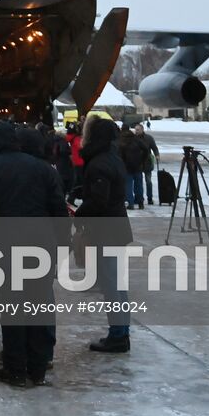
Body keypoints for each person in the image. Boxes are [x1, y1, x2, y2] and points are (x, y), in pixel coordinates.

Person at [0, 120, 68, 388]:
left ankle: (16, 369)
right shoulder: (44, 169)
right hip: (42, 248)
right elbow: (59, 212)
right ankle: (38, 369)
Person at [75, 117, 134, 353]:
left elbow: (99, 200)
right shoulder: (113, 158)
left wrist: (80, 214)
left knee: (110, 284)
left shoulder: (99, 163)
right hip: (117, 228)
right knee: (117, 284)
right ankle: (122, 331)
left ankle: (118, 335)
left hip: (106, 231)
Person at [118, 125, 149, 209]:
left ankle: (130, 203)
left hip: (127, 166)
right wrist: (142, 159)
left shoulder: (121, 140)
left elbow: (119, 154)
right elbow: (146, 149)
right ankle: (140, 203)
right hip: (138, 165)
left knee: (128, 185)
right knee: (139, 185)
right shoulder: (135, 139)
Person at [135, 124, 159, 205]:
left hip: (147, 162)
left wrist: (157, 155)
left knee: (148, 181)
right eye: (135, 130)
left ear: (142, 129)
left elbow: (154, 148)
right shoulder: (133, 138)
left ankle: (150, 198)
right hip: (137, 162)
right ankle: (139, 198)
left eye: (138, 130)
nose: (136, 131)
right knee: (138, 181)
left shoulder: (148, 138)